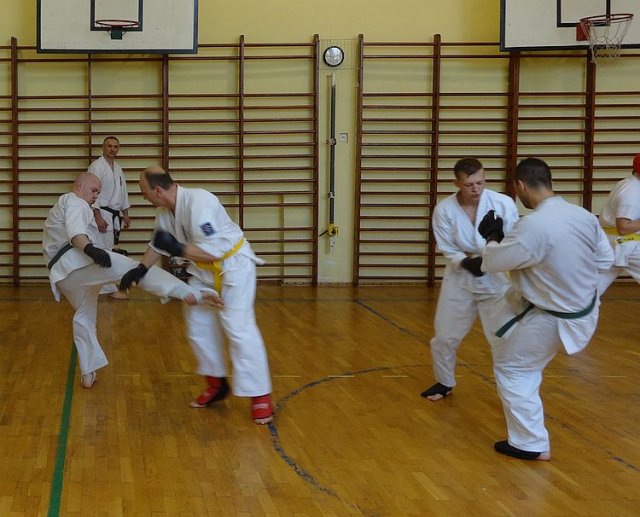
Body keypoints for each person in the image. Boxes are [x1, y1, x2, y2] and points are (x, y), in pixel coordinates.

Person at [479, 157, 614, 460]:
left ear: (521, 185)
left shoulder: (534, 225)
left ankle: (530, 443)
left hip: (554, 318)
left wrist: (492, 237)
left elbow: (494, 262)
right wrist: (571, 283)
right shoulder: (583, 215)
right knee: (511, 339)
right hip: (582, 309)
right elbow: (605, 261)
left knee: (514, 369)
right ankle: (530, 438)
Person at [120, 166, 274, 424]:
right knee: (198, 325)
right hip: (203, 272)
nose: (143, 197)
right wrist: (140, 269)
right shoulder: (165, 212)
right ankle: (217, 384)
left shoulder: (200, 202)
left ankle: (261, 395)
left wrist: (178, 248)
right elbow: (158, 245)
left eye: (144, 192)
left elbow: (214, 252)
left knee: (238, 328)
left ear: (157, 190)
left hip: (233, 267)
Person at [43, 172, 223, 389]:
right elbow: (75, 234)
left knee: (84, 318)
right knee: (134, 268)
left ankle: (88, 372)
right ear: (79, 187)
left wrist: (95, 249)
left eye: (98, 192)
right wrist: (90, 249)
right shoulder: (74, 200)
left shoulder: (70, 207)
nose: (96, 196)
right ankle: (190, 293)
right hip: (76, 260)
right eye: (93, 190)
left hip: (62, 276)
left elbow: (77, 232)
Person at [420, 158, 519, 401]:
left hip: (496, 278)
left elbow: (514, 239)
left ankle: (513, 388)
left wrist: (493, 258)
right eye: (469, 185)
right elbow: (446, 245)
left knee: (503, 336)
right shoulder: (444, 210)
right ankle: (444, 382)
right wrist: (464, 262)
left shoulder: (502, 203)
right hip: (460, 278)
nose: (476, 189)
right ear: (457, 183)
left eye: (480, 183)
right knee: (444, 337)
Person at [89, 136, 131, 299]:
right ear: (103, 147)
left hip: (114, 214)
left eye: (115, 146)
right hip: (101, 213)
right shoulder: (96, 166)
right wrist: (98, 217)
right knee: (103, 251)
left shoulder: (118, 168)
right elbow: (92, 192)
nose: (112, 149)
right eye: (109, 146)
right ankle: (109, 289)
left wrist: (125, 214)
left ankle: (102, 286)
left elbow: (123, 192)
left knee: (107, 250)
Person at [597, 152, 640, 293]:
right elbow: (623, 227)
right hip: (625, 244)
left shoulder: (629, 184)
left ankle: (576, 304)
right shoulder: (632, 192)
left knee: (593, 288)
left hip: (615, 243)